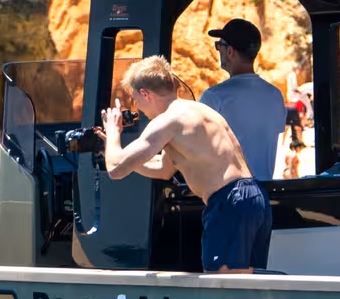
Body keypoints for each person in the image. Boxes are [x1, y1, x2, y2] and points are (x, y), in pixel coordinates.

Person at [105, 55, 270, 272]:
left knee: (223, 287)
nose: (139, 108)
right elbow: (164, 170)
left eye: (136, 99)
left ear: (146, 93)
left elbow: (115, 170)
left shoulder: (167, 121)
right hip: (253, 197)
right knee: (250, 288)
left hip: (228, 201)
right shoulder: (199, 110)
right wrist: (124, 156)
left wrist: (113, 135)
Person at [199, 18, 284, 180]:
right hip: (263, 194)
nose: (218, 51)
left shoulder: (214, 97)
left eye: (219, 46)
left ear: (230, 52)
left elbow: (197, 148)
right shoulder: (275, 95)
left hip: (228, 196)